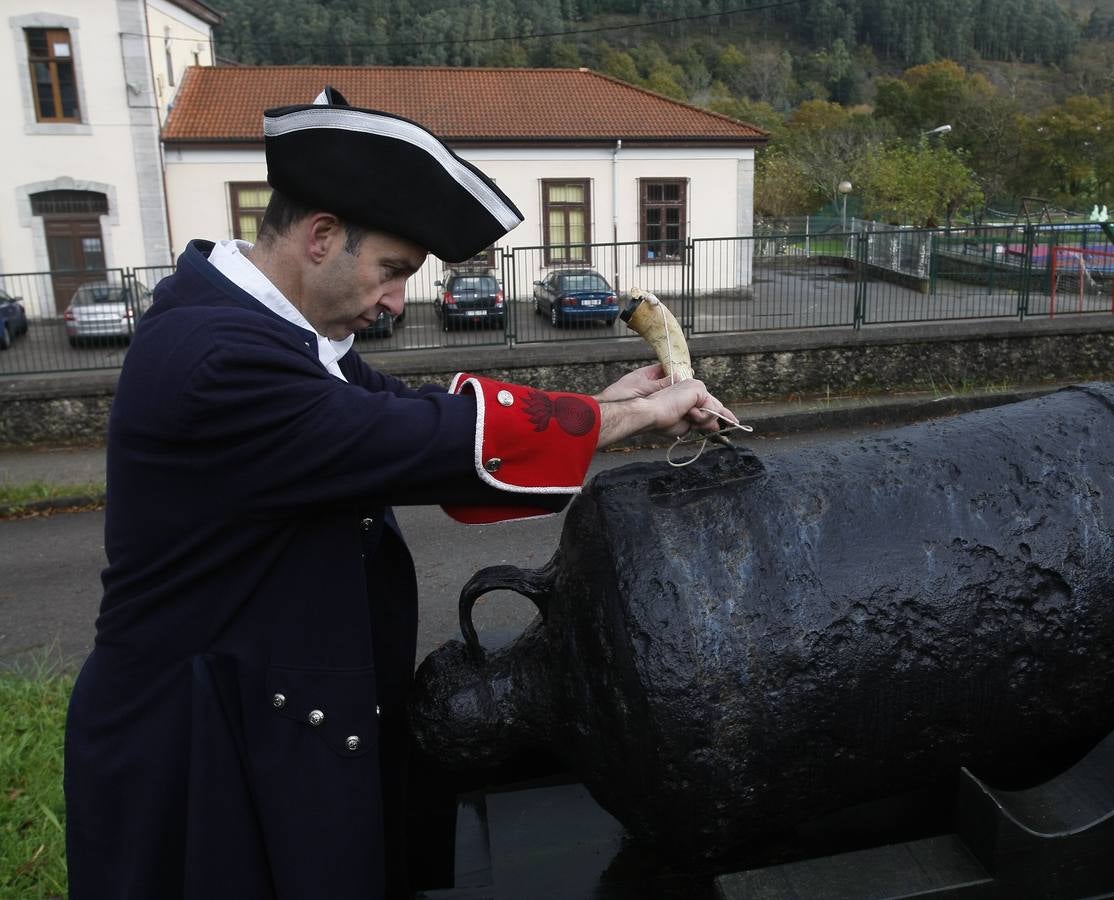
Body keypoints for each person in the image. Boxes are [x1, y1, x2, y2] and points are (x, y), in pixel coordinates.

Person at [63, 87, 736, 900]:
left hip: (261, 713)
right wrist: (631, 416)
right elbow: (420, 444)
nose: (395, 302)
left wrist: (615, 398)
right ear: (320, 238)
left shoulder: (275, 337)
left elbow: (411, 412)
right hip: (202, 745)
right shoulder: (218, 359)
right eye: (392, 272)